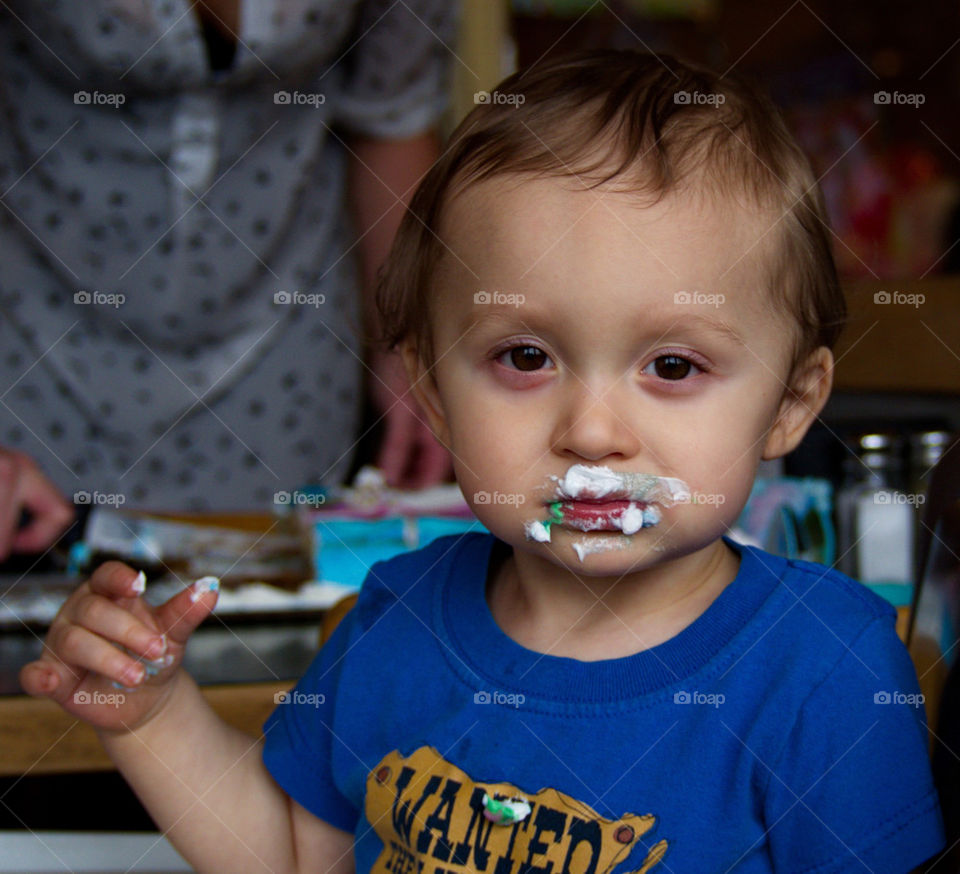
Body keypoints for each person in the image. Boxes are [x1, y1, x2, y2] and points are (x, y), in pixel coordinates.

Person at [20, 50, 945, 873]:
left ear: (789, 403)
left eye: (672, 365)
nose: (590, 432)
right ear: (429, 391)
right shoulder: (395, 619)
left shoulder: (823, 670)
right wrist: (152, 718)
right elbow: (297, 856)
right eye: (525, 358)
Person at [0, 0, 456, 561]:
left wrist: (406, 341)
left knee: (265, 606)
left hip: (285, 358)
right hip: (32, 342)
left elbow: (392, 116)